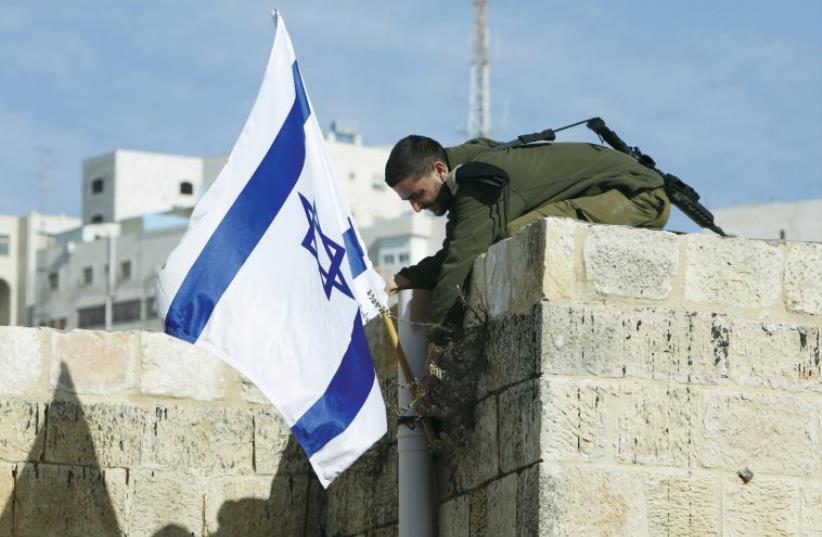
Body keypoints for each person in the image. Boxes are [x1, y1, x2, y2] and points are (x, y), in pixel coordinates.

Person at [385, 135, 670, 348]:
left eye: (417, 195)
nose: (416, 208)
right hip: (624, 189)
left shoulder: (475, 183)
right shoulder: (466, 162)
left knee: (512, 232)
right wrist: (405, 278)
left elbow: (459, 263)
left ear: (439, 170)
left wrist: (439, 350)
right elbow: (457, 250)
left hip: (639, 197)